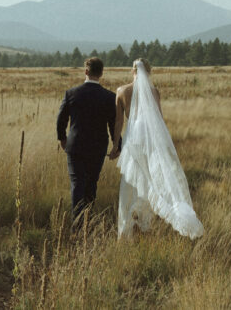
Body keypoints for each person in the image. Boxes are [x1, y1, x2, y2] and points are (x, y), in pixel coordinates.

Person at [112, 59, 204, 238]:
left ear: (133, 72)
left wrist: (116, 144)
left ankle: (129, 225)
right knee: (151, 178)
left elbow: (118, 121)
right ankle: (144, 223)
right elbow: (159, 120)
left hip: (133, 137)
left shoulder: (122, 91)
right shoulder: (154, 92)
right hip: (151, 138)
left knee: (132, 180)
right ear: (149, 73)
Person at [56, 56, 120, 222]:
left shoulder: (71, 93)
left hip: (75, 146)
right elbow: (114, 125)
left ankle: (77, 224)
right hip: (98, 147)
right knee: (91, 183)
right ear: (101, 74)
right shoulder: (109, 97)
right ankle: (87, 221)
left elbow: (60, 120)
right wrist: (117, 146)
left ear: (86, 71)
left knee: (77, 183)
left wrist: (62, 139)